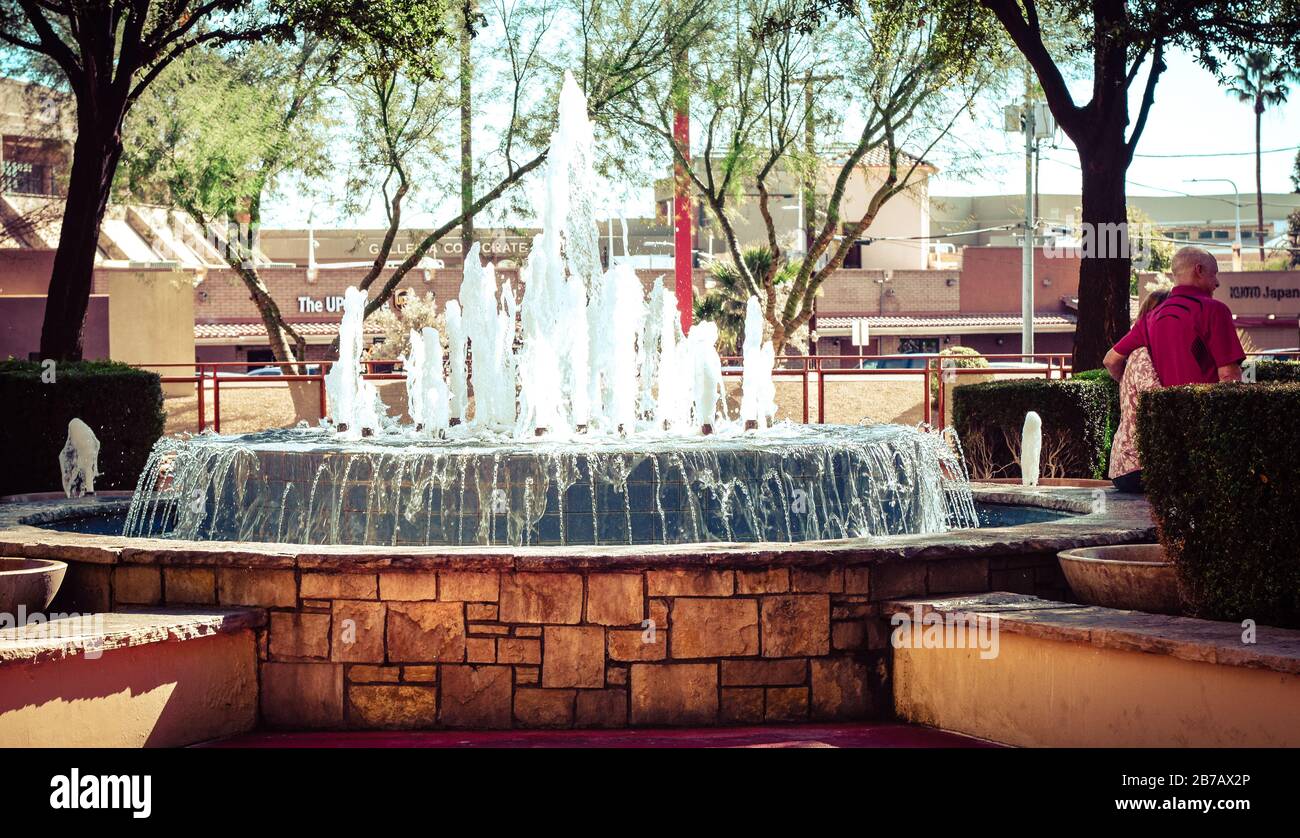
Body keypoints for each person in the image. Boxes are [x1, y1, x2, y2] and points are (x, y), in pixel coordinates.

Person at [1102, 246, 1246, 492]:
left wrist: (1129, 387)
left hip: (1165, 446)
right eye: (1214, 274)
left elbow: (1111, 359)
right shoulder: (1214, 310)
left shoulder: (1150, 317)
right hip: (1203, 437)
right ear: (1199, 271)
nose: (1217, 282)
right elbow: (1228, 376)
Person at [1105, 288, 1168, 492]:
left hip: (1135, 465)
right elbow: (1155, 402)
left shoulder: (1145, 353)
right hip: (1134, 467)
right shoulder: (1142, 354)